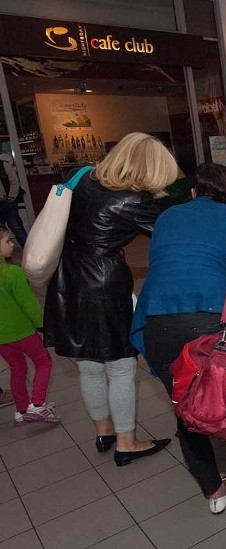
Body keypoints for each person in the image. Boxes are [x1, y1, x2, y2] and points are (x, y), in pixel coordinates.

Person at [130, 163, 226, 514]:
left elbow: (172, 264)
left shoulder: (167, 217)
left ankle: (214, 492)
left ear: (194, 191)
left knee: (186, 409)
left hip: (157, 322)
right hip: (207, 321)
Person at [43, 132, 175, 466]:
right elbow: (172, 233)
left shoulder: (85, 178)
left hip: (67, 278)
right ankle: (127, 443)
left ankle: (104, 431)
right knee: (120, 367)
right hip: (103, 285)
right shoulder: (134, 200)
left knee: (89, 365)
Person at [0, 226, 59, 427]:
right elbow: (29, 305)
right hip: (23, 331)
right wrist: (43, 324)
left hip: (2, 338)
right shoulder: (13, 273)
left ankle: (21, 410)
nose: (12, 245)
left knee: (17, 368)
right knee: (43, 361)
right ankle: (38, 404)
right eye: (7, 241)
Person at [0, 152, 28, 246]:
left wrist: (11, 197)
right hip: (6, 201)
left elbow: (14, 181)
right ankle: (4, 255)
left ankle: (28, 249)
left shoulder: (3, 164)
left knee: (16, 227)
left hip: (7, 201)